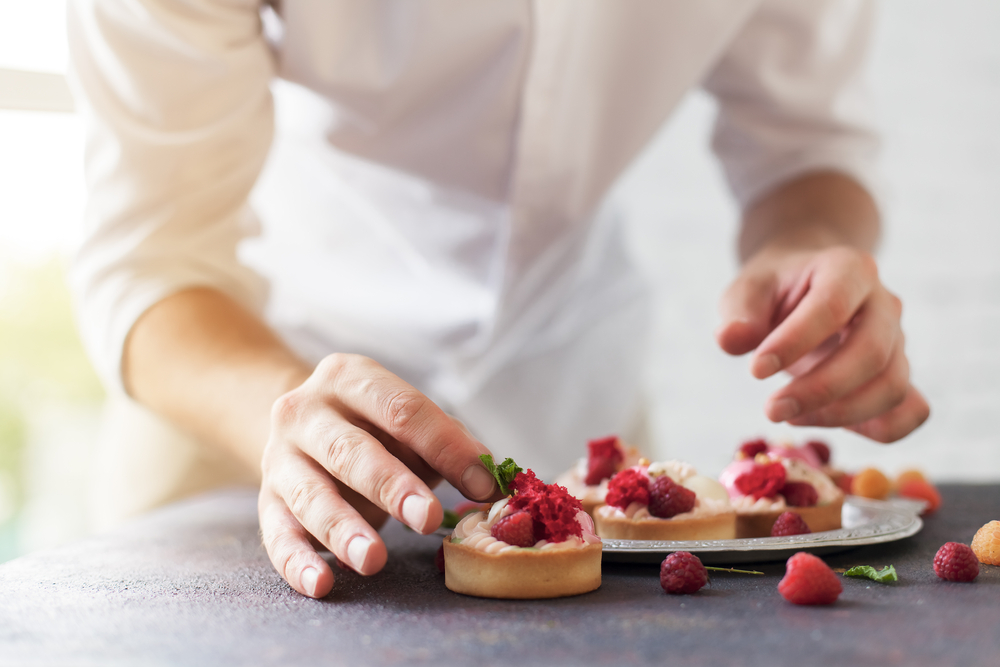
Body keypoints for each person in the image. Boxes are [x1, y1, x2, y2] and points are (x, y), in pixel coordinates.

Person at [67, 0, 929, 599]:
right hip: (254, 401)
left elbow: (807, 143)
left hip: (575, 390)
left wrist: (804, 247)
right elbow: (149, 256)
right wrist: (276, 413)